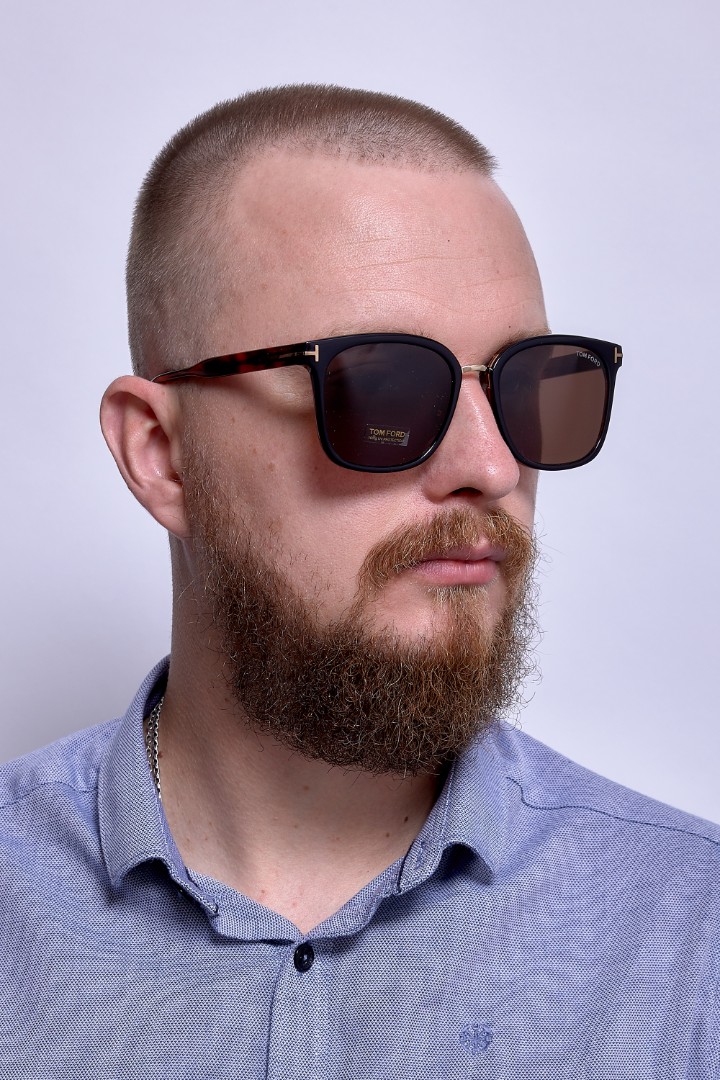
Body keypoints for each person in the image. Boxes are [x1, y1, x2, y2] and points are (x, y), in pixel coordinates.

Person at [1, 85, 717, 1078]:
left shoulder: (692, 942)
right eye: (383, 388)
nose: (493, 466)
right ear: (163, 455)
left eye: (526, 382)